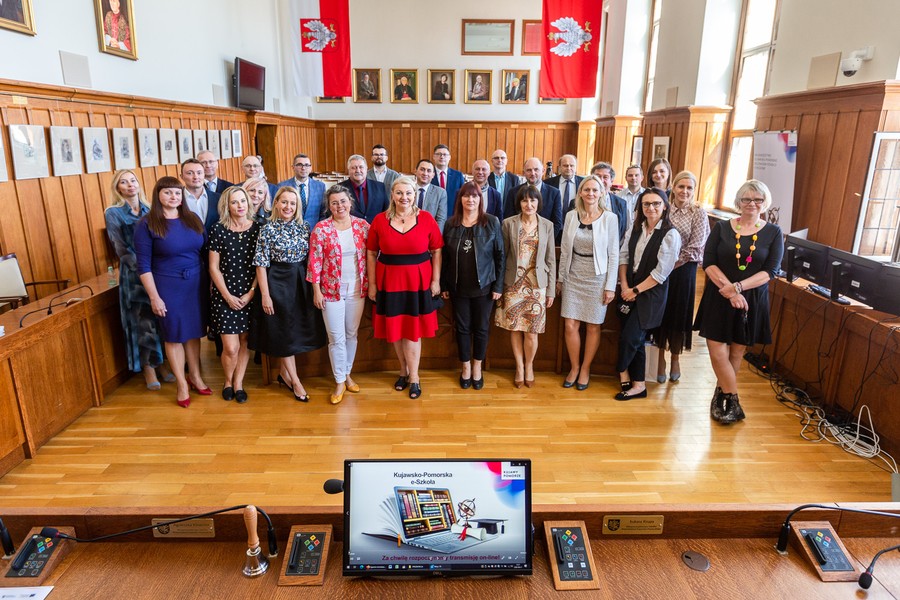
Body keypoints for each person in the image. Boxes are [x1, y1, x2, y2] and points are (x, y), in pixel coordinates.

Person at [694, 180, 783, 424]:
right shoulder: (722, 228)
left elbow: (770, 271)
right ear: (739, 201)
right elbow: (708, 261)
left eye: (758, 200)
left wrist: (740, 288)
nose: (752, 204)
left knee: (736, 351)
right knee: (716, 350)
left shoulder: (773, 233)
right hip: (719, 295)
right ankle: (733, 400)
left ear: (765, 203)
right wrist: (730, 291)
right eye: (747, 199)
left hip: (752, 298)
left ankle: (721, 398)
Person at [134, 176, 212, 408]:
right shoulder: (147, 224)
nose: (173, 197)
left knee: (194, 332)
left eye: (177, 193)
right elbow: (143, 266)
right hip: (167, 285)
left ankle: (195, 376)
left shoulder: (192, 219)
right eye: (168, 193)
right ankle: (181, 383)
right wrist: (154, 296)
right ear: (158, 194)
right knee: (174, 334)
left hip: (195, 282)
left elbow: (204, 252)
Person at [366, 176, 443, 399]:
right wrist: (372, 284)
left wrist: (435, 280)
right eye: (399, 193)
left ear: (415, 194)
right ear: (392, 195)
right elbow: (371, 253)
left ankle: (415, 377)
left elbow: (437, 250)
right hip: (389, 280)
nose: (404, 197)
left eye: (408, 193)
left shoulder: (426, 219)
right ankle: (403, 371)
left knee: (412, 331)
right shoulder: (380, 220)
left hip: (417, 282)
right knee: (396, 329)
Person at [250, 187, 326, 403]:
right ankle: (295, 381)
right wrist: (265, 295)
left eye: (292, 204)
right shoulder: (267, 228)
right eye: (284, 202)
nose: (288, 207)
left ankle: (284, 375)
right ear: (276, 204)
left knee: (293, 333)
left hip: (300, 281)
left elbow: (312, 259)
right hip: (277, 282)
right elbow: (261, 265)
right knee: (282, 331)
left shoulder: (304, 227)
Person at [104, 170, 170, 391]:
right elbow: (120, 248)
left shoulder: (150, 209)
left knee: (159, 319)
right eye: (124, 182)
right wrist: (144, 269)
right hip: (134, 275)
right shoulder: (114, 213)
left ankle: (161, 364)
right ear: (118, 188)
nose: (130, 185)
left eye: (133, 180)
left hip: (156, 271)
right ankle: (148, 368)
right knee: (141, 321)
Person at [614, 187, 681, 401]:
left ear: (664, 206)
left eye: (655, 204)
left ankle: (622, 370)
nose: (650, 208)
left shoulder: (670, 234)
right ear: (640, 207)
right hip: (629, 288)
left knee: (631, 337)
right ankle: (639, 385)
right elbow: (623, 257)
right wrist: (625, 286)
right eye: (646, 204)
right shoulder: (635, 228)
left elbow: (661, 273)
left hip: (650, 293)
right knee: (637, 339)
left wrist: (635, 291)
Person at [307, 185, 370, 405]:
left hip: (357, 287)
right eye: (334, 202)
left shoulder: (363, 226)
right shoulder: (321, 228)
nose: (339, 206)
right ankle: (339, 381)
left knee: (351, 333)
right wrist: (316, 290)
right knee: (336, 337)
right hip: (330, 289)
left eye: (343, 201)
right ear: (329, 206)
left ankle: (347, 374)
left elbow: (372, 255)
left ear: (350, 202)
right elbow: (314, 262)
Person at [557, 176, 620, 390]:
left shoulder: (610, 218)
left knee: (594, 326)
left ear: (601, 193)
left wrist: (610, 285)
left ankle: (585, 368)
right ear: (580, 193)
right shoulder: (571, 216)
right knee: (570, 325)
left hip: (597, 277)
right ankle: (574, 367)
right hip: (574, 274)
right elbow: (565, 250)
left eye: (595, 190)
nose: (591, 194)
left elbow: (614, 254)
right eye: (587, 190)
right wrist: (560, 279)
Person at [441, 182, 505, 390]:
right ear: (460, 199)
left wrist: (498, 286)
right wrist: (443, 284)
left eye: (474, 196)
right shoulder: (451, 224)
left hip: (485, 287)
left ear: (480, 199)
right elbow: (445, 258)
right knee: (462, 328)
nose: (470, 200)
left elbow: (500, 256)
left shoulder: (492, 222)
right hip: (458, 287)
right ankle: (465, 367)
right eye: (466, 196)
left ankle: (477, 366)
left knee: (481, 328)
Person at [651, 171, 710, 384]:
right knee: (660, 313)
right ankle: (659, 359)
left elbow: (696, 248)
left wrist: (670, 265)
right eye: (681, 187)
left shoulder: (699, 213)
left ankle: (675, 357)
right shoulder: (664, 208)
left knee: (677, 315)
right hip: (659, 270)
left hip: (684, 272)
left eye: (689, 188)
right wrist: (661, 266)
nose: (684, 191)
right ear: (673, 187)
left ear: (694, 191)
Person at [495, 185, 556, 388]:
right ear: (519, 203)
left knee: (532, 332)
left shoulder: (547, 225)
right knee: (514, 328)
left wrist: (551, 290)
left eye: (533, 200)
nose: (528, 204)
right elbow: (502, 257)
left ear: (539, 202)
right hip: (513, 284)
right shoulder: (508, 224)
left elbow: (551, 259)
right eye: (524, 200)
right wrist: (499, 286)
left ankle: (529, 365)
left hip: (537, 285)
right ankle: (519, 367)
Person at [208, 187, 260, 404]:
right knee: (230, 347)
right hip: (225, 295)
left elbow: (261, 265)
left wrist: (251, 293)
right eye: (234, 202)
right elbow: (213, 267)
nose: (240, 206)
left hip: (249, 294)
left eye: (242, 201)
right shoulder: (218, 230)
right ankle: (227, 381)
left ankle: (238, 383)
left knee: (244, 341)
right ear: (226, 206)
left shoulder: (258, 229)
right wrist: (228, 296)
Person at [505, 158, 563, 243]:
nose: (533, 173)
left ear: (543, 171)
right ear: (524, 173)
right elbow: (509, 220)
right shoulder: (513, 192)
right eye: (529, 170)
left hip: (544, 244)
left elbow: (557, 223)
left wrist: (544, 242)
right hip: (518, 244)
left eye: (536, 169)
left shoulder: (554, 193)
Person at [277, 153, 326, 227]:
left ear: (310, 168)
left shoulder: (320, 186)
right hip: (291, 232)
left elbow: (324, 212)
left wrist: (320, 228)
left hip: (314, 231)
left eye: (306, 165)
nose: (303, 168)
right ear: (293, 167)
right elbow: (278, 211)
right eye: (299, 165)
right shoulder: (282, 186)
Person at [339, 155, 389, 223]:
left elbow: (387, 211)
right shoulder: (339, 189)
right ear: (348, 170)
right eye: (353, 168)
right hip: (350, 231)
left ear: (366, 169)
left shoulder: (380, 187)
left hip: (375, 230)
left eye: (361, 167)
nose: (358, 170)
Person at [590, 161, 630, 243]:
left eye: (605, 177)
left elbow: (623, 229)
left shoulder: (621, 204)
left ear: (611, 181)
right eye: (598, 176)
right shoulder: (578, 202)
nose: (601, 180)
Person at [181, 158, 219, 230]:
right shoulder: (176, 200)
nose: (196, 177)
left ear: (204, 175)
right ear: (182, 176)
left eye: (199, 173)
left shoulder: (218, 198)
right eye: (190, 173)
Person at [413, 159, 448, 232]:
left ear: (433, 175)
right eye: (422, 169)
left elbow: (441, 219)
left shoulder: (440, 193)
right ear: (415, 171)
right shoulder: (408, 190)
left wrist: (436, 238)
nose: (425, 173)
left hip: (430, 234)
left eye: (429, 171)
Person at [431, 144, 465, 217]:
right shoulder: (428, 175)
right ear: (434, 157)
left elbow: (463, 196)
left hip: (453, 217)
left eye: (445, 154)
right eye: (438, 154)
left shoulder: (458, 176)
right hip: (432, 217)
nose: (442, 157)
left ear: (449, 157)